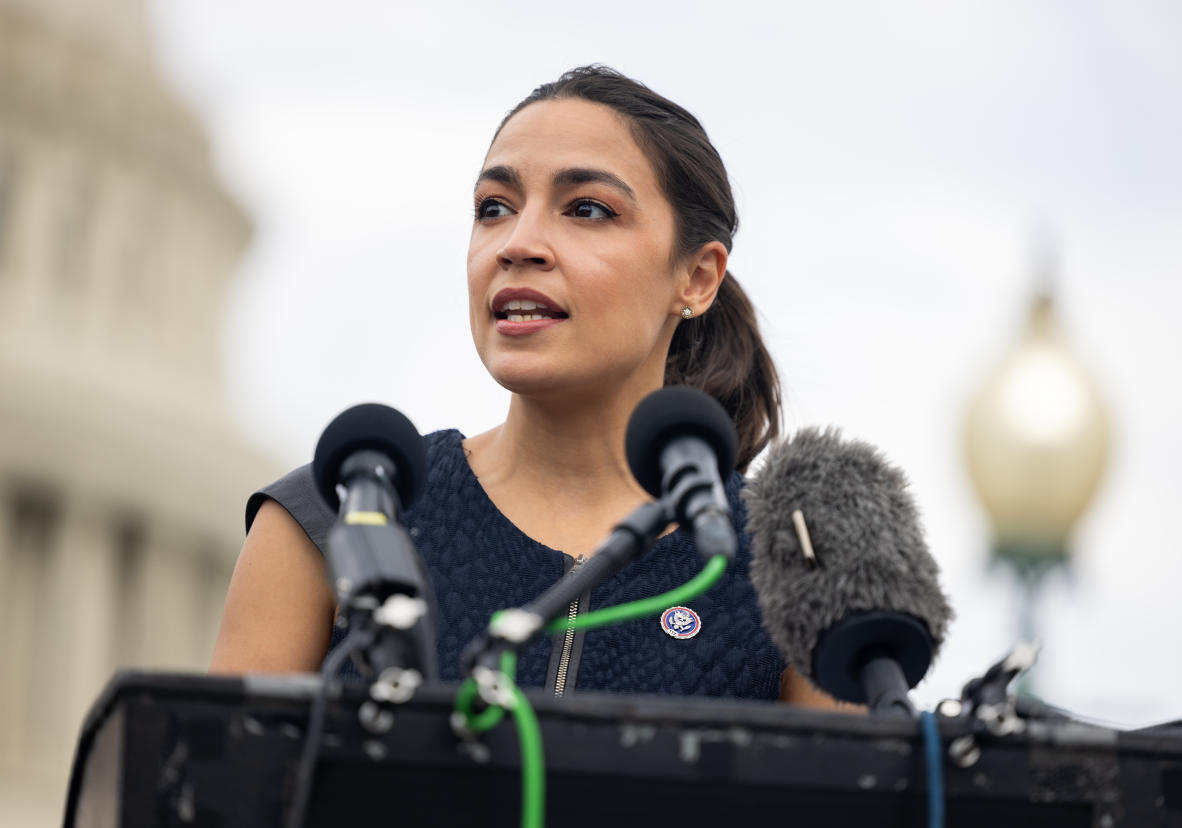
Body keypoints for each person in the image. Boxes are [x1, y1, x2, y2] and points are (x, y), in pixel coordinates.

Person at [210, 65, 848, 708]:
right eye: (495, 208)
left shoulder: (801, 573)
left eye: (588, 210)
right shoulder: (333, 515)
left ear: (698, 279)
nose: (519, 244)